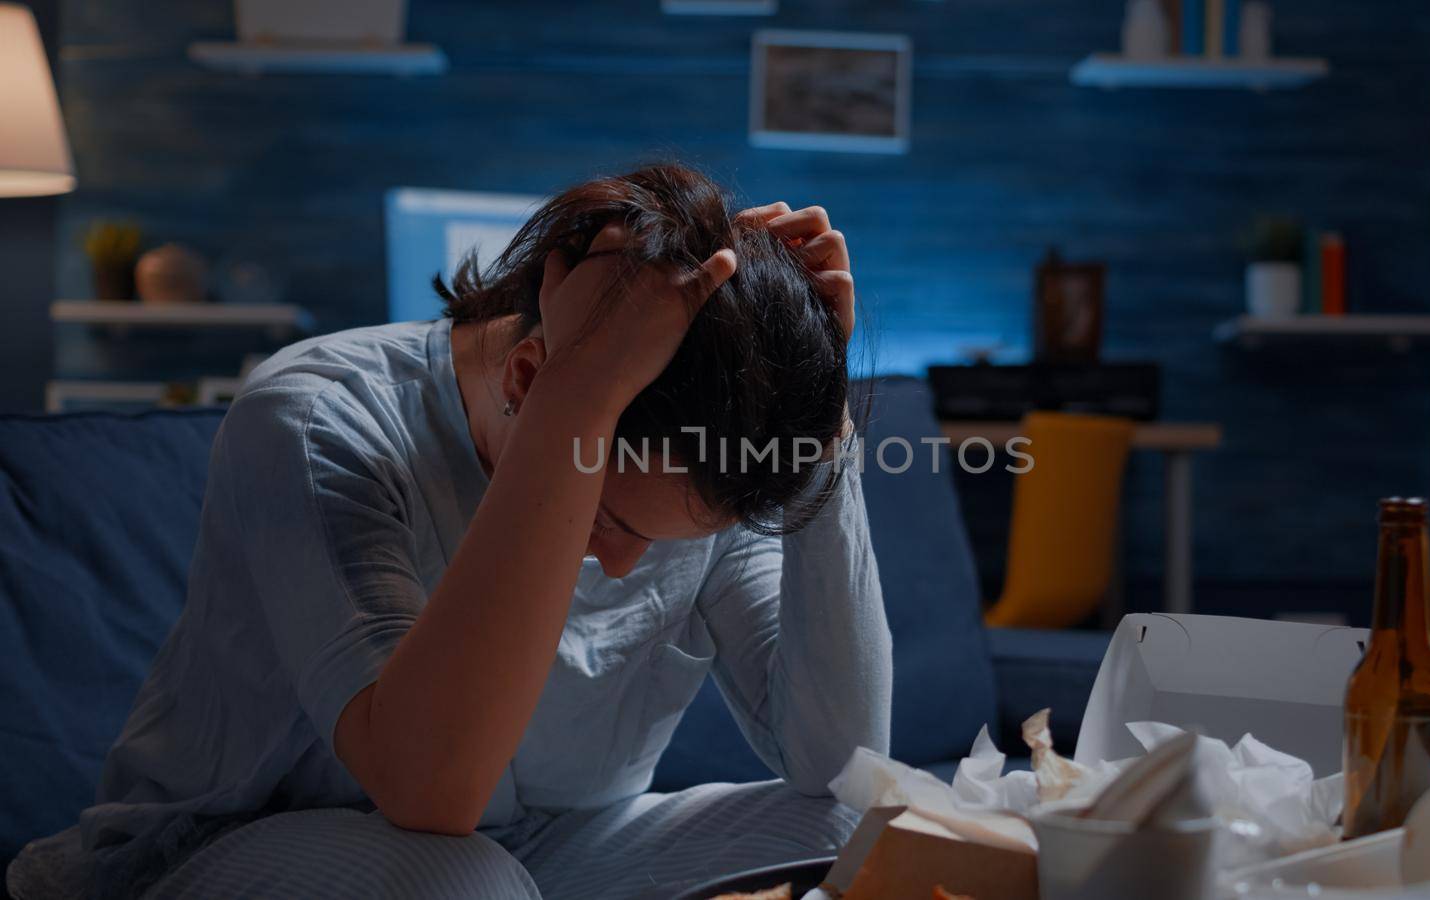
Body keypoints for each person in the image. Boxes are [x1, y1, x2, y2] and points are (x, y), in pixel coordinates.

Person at [7, 165, 890, 900]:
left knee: (865, 822)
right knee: (460, 882)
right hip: (222, 851)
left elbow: (841, 764)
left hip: (542, 852)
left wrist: (818, 427)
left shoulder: (692, 458)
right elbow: (433, 790)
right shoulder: (320, 420)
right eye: (611, 519)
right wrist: (574, 402)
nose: (626, 566)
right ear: (525, 371)